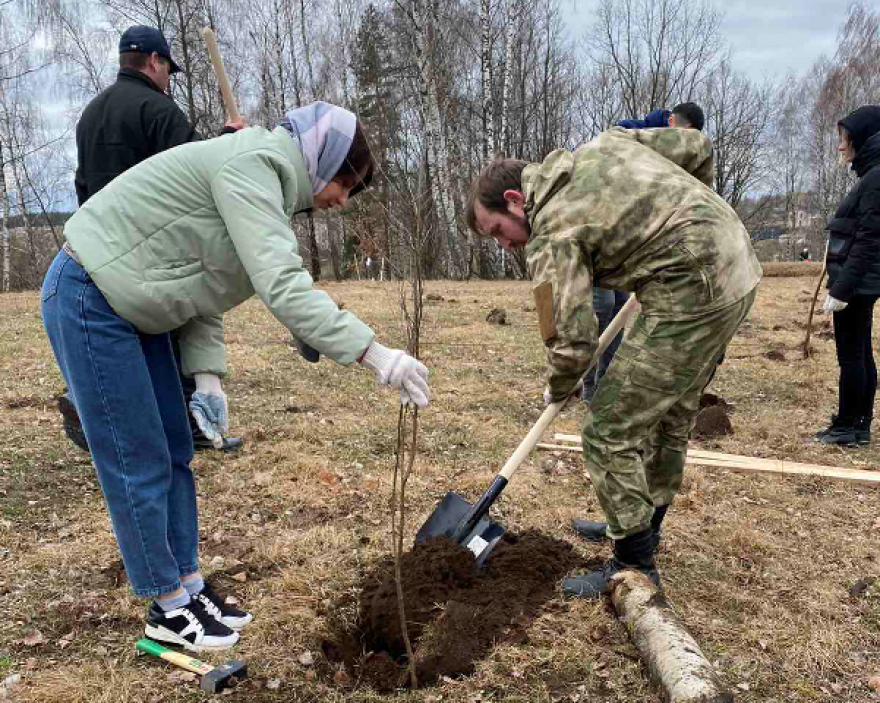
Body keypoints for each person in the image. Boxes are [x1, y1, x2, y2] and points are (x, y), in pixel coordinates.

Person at [41, 101, 430, 650]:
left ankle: (189, 587)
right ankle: (167, 608)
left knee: (175, 448)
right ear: (323, 160)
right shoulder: (253, 167)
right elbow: (282, 285)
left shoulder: (259, 177)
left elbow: (202, 281)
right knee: (138, 456)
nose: (342, 200)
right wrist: (375, 354)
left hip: (138, 306)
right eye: (346, 183)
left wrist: (207, 378)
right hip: (91, 295)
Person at [466, 125, 761, 598]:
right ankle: (640, 528)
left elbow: (571, 341)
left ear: (515, 200)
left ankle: (633, 564)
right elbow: (698, 146)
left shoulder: (550, 234)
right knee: (670, 414)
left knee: (607, 429)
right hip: (738, 266)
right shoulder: (606, 145)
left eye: (498, 232)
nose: (504, 246)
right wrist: (690, 219)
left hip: (691, 288)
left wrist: (557, 386)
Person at [58, 25, 246, 453]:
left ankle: (94, 411)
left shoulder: (91, 113)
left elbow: (82, 181)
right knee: (178, 324)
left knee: (117, 340)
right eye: (168, 69)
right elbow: (202, 172)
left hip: (98, 245)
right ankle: (192, 425)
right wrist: (230, 143)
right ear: (155, 62)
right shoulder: (158, 111)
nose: (168, 79)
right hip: (154, 241)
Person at [583, 102, 707, 403]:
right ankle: (584, 383)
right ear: (672, 121)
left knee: (617, 314)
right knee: (600, 309)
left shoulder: (669, 157)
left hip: (629, 249)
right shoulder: (627, 135)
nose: (681, 145)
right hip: (602, 237)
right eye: (682, 135)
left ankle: (602, 385)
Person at [814, 105, 880, 447]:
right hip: (860, 282)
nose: (840, 146)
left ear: (863, 139)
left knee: (852, 356)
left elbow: (869, 240)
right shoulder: (872, 176)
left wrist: (842, 289)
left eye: (844, 139)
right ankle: (856, 424)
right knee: (860, 353)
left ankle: (848, 427)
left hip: (857, 284)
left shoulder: (875, 179)